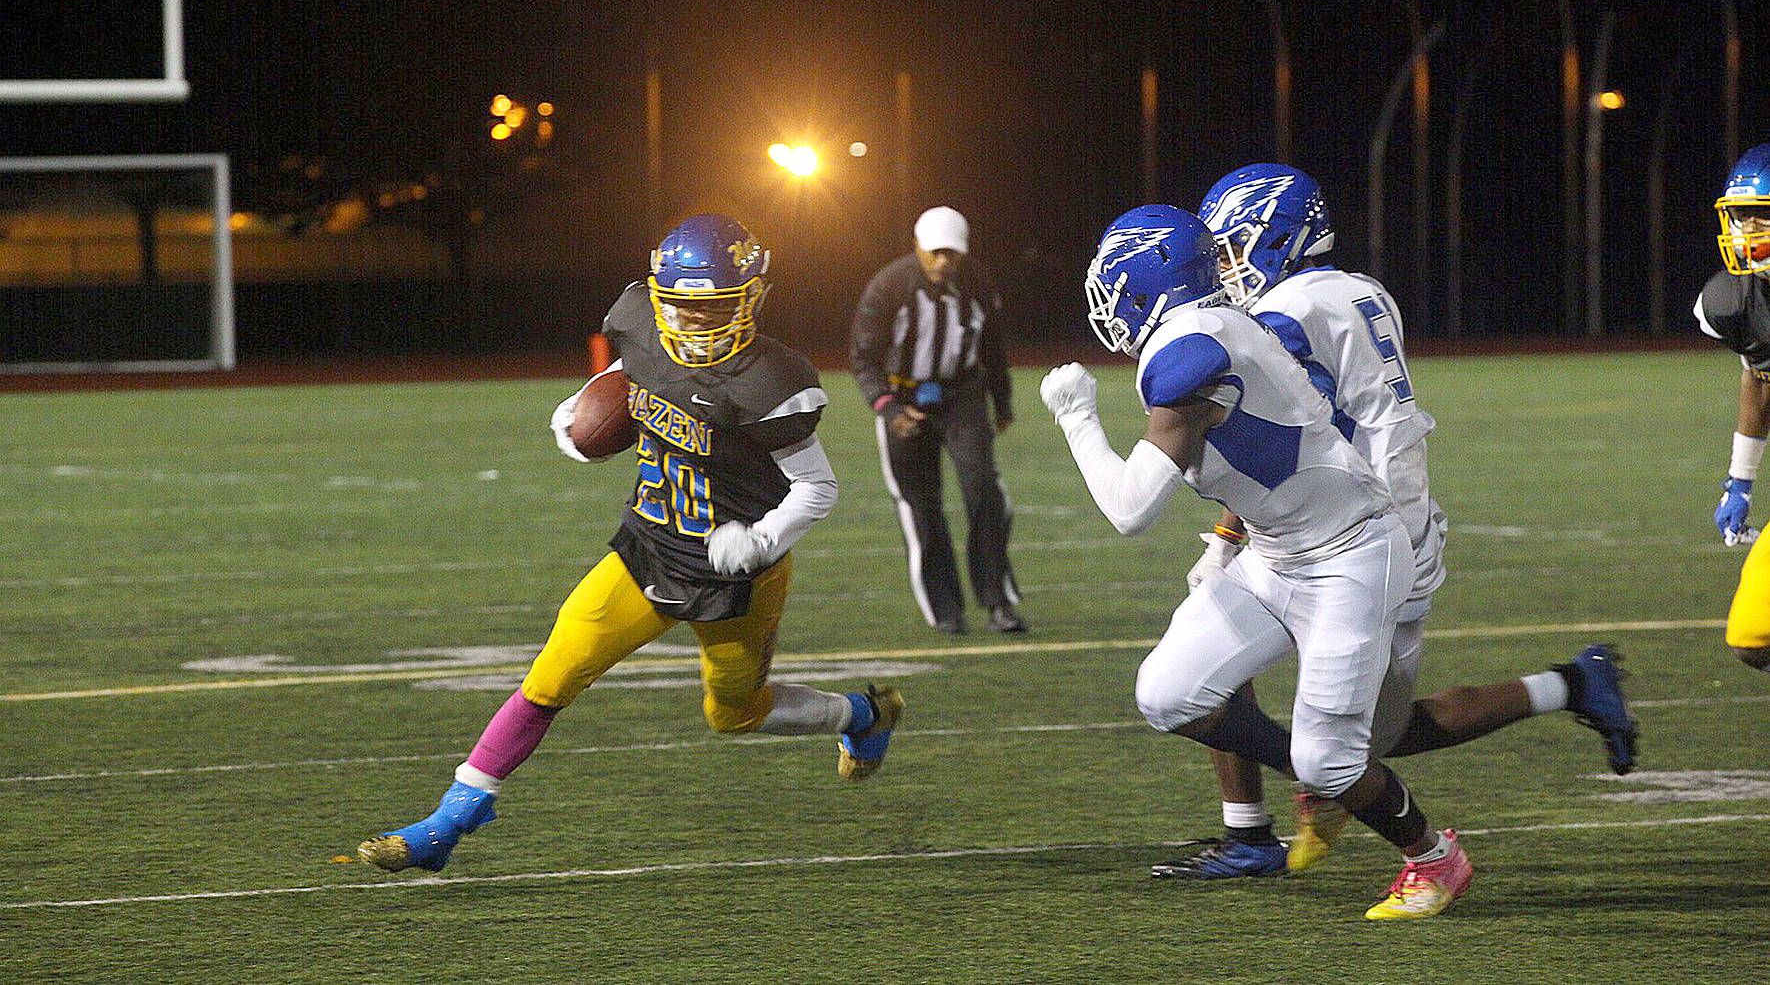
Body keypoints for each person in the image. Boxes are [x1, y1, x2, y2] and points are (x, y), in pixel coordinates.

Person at [358, 214, 904, 874]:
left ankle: (860, 715)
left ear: (752, 298)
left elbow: (817, 487)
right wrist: (578, 420)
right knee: (551, 675)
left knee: (734, 714)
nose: (695, 322)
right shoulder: (640, 323)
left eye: (715, 308)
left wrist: (761, 540)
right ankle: (452, 819)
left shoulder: (770, 380)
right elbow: (626, 378)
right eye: (683, 306)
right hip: (647, 547)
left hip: (733, 576)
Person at [1154, 163, 1637, 882]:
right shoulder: (1358, 290)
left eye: (1229, 249)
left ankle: (1565, 689)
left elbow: (1278, 438)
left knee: (1370, 744)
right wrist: (1232, 539)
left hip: (1363, 538)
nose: (1223, 269)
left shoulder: (1284, 317)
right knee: (1218, 671)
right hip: (1348, 520)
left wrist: (1227, 533)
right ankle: (1253, 829)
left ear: (1276, 237)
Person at [1042, 203, 1469, 920]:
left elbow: (1130, 508)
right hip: (1277, 553)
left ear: (1146, 284)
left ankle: (1432, 857)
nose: (1108, 302)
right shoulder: (1216, 327)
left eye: (1114, 284)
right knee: (1168, 693)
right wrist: (1224, 545)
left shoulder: (1189, 355)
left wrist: (1076, 416)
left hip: (1350, 556)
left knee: (1331, 758)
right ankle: (1320, 772)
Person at [850, 205, 1025, 634]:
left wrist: (1002, 401)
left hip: (962, 395)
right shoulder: (888, 286)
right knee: (920, 506)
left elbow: (994, 346)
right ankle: (945, 609)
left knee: (984, 491)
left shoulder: (977, 283)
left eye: (952, 253)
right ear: (918, 247)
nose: (944, 261)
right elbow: (864, 356)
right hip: (903, 397)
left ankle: (997, 600)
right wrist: (889, 407)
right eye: (936, 252)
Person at [1695, 140, 1770, 674]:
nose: (1746, 231)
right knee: (1752, 636)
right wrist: (1740, 481)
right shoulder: (1734, 302)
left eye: (1760, 217)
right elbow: (1761, 377)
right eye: (1740, 217)